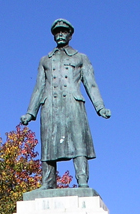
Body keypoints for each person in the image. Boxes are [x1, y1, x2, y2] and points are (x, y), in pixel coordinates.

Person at [21, 19, 110, 189]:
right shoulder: (45, 60)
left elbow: (90, 84)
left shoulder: (80, 58)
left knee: (78, 143)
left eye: (63, 32)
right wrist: (30, 113)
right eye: (57, 32)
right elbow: (39, 86)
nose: (60, 35)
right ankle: (47, 182)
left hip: (72, 105)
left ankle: (82, 181)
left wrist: (100, 107)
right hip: (50, 107)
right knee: (48, 146)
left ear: (70, 35)